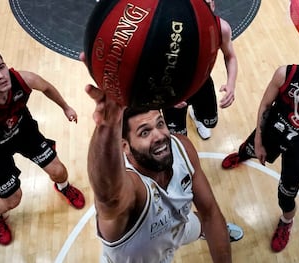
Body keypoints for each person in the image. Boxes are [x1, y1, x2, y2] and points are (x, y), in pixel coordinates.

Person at [84, 69, 243, 262]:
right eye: (145, 132)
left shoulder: (181, 147)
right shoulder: (132, 186)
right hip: (145, 257)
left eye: (160, 123)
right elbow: (108, 196)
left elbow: (209, 211)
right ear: (124, 146)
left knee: (201, 222)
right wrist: (107, 127)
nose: (159, 136)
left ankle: (203, 232)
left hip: (178, 227)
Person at [221, 52, 299, 252]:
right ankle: (243, 155)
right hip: (275, 127)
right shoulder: (286, 74)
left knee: (286, 195)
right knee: (248, 148)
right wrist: (258, 141)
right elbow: (265, 105)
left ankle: (286, 221)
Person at [0, 52, 85, 245]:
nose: (0, 75)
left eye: (1, 67)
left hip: (24, 132)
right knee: (13, 199)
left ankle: (63, 188)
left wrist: (66, 107)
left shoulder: (22, 79)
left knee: (59, 171)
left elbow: (46, 87)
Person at [163, 0, 238, 140]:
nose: (205, 8)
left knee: (210, 122)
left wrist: (231, 84)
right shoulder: (169, 29)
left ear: (213, 5)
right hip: (173, 88)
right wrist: (166, 93)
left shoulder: (221, 28)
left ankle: (196, 115)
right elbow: (154, 65)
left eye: (208, 3)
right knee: (178, 136)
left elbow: (230, 56)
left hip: (202, 83)